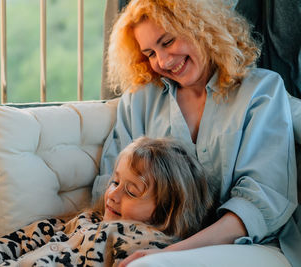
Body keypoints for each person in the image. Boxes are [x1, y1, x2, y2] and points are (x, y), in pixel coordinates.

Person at [91, 0, 300, 266]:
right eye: (150, 53)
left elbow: (261, 204)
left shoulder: (262, 91)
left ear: (201, 28)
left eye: (167, 42)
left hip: (251, 244)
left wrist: (169, 253)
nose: (163, 61)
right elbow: (109, 184)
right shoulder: (140, 100)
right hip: (151, 240)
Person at [0, 137, 213, 267]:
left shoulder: (141, 246)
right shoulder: (85, 220)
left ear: (167, 211)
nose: (113, 195)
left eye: (132, 192)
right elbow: (20, 240)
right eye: (115, 182)